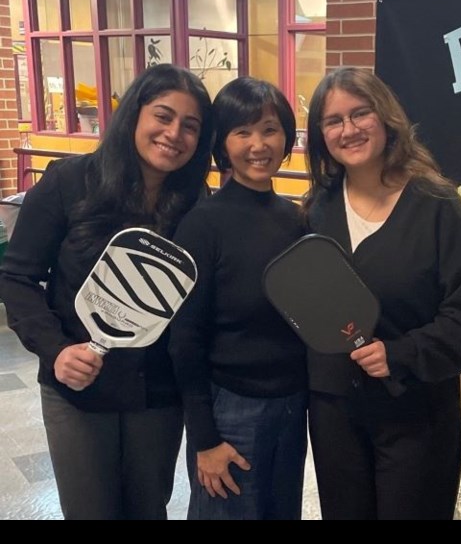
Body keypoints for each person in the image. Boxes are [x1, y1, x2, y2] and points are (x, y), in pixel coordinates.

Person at [0, 64, 215, 519]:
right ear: (134, 115)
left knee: (147, 509)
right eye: (163, 116)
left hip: (157, 393)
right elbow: (16, 278)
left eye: (190, 126)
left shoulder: (198, 204)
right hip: (78, 389)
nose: (174, 133)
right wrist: (56, 351)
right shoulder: (68, 181)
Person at [302, 66, 461, 520]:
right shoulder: (317, 210)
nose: (348, 129)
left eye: (360, 113)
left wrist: (401, 354)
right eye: (333, 120)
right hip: (335, 415)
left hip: (416, 415)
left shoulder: (440, 208)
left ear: (386, 118)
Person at [168, 77, 308, 520]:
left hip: (293, 403)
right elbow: (184, 338)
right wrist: (205, 439)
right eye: (242, 131)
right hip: (230, 409)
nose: (258, 144)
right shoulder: (202, 225)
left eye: (269, 129)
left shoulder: (298, 220)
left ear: (286, 137)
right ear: (221, 144)